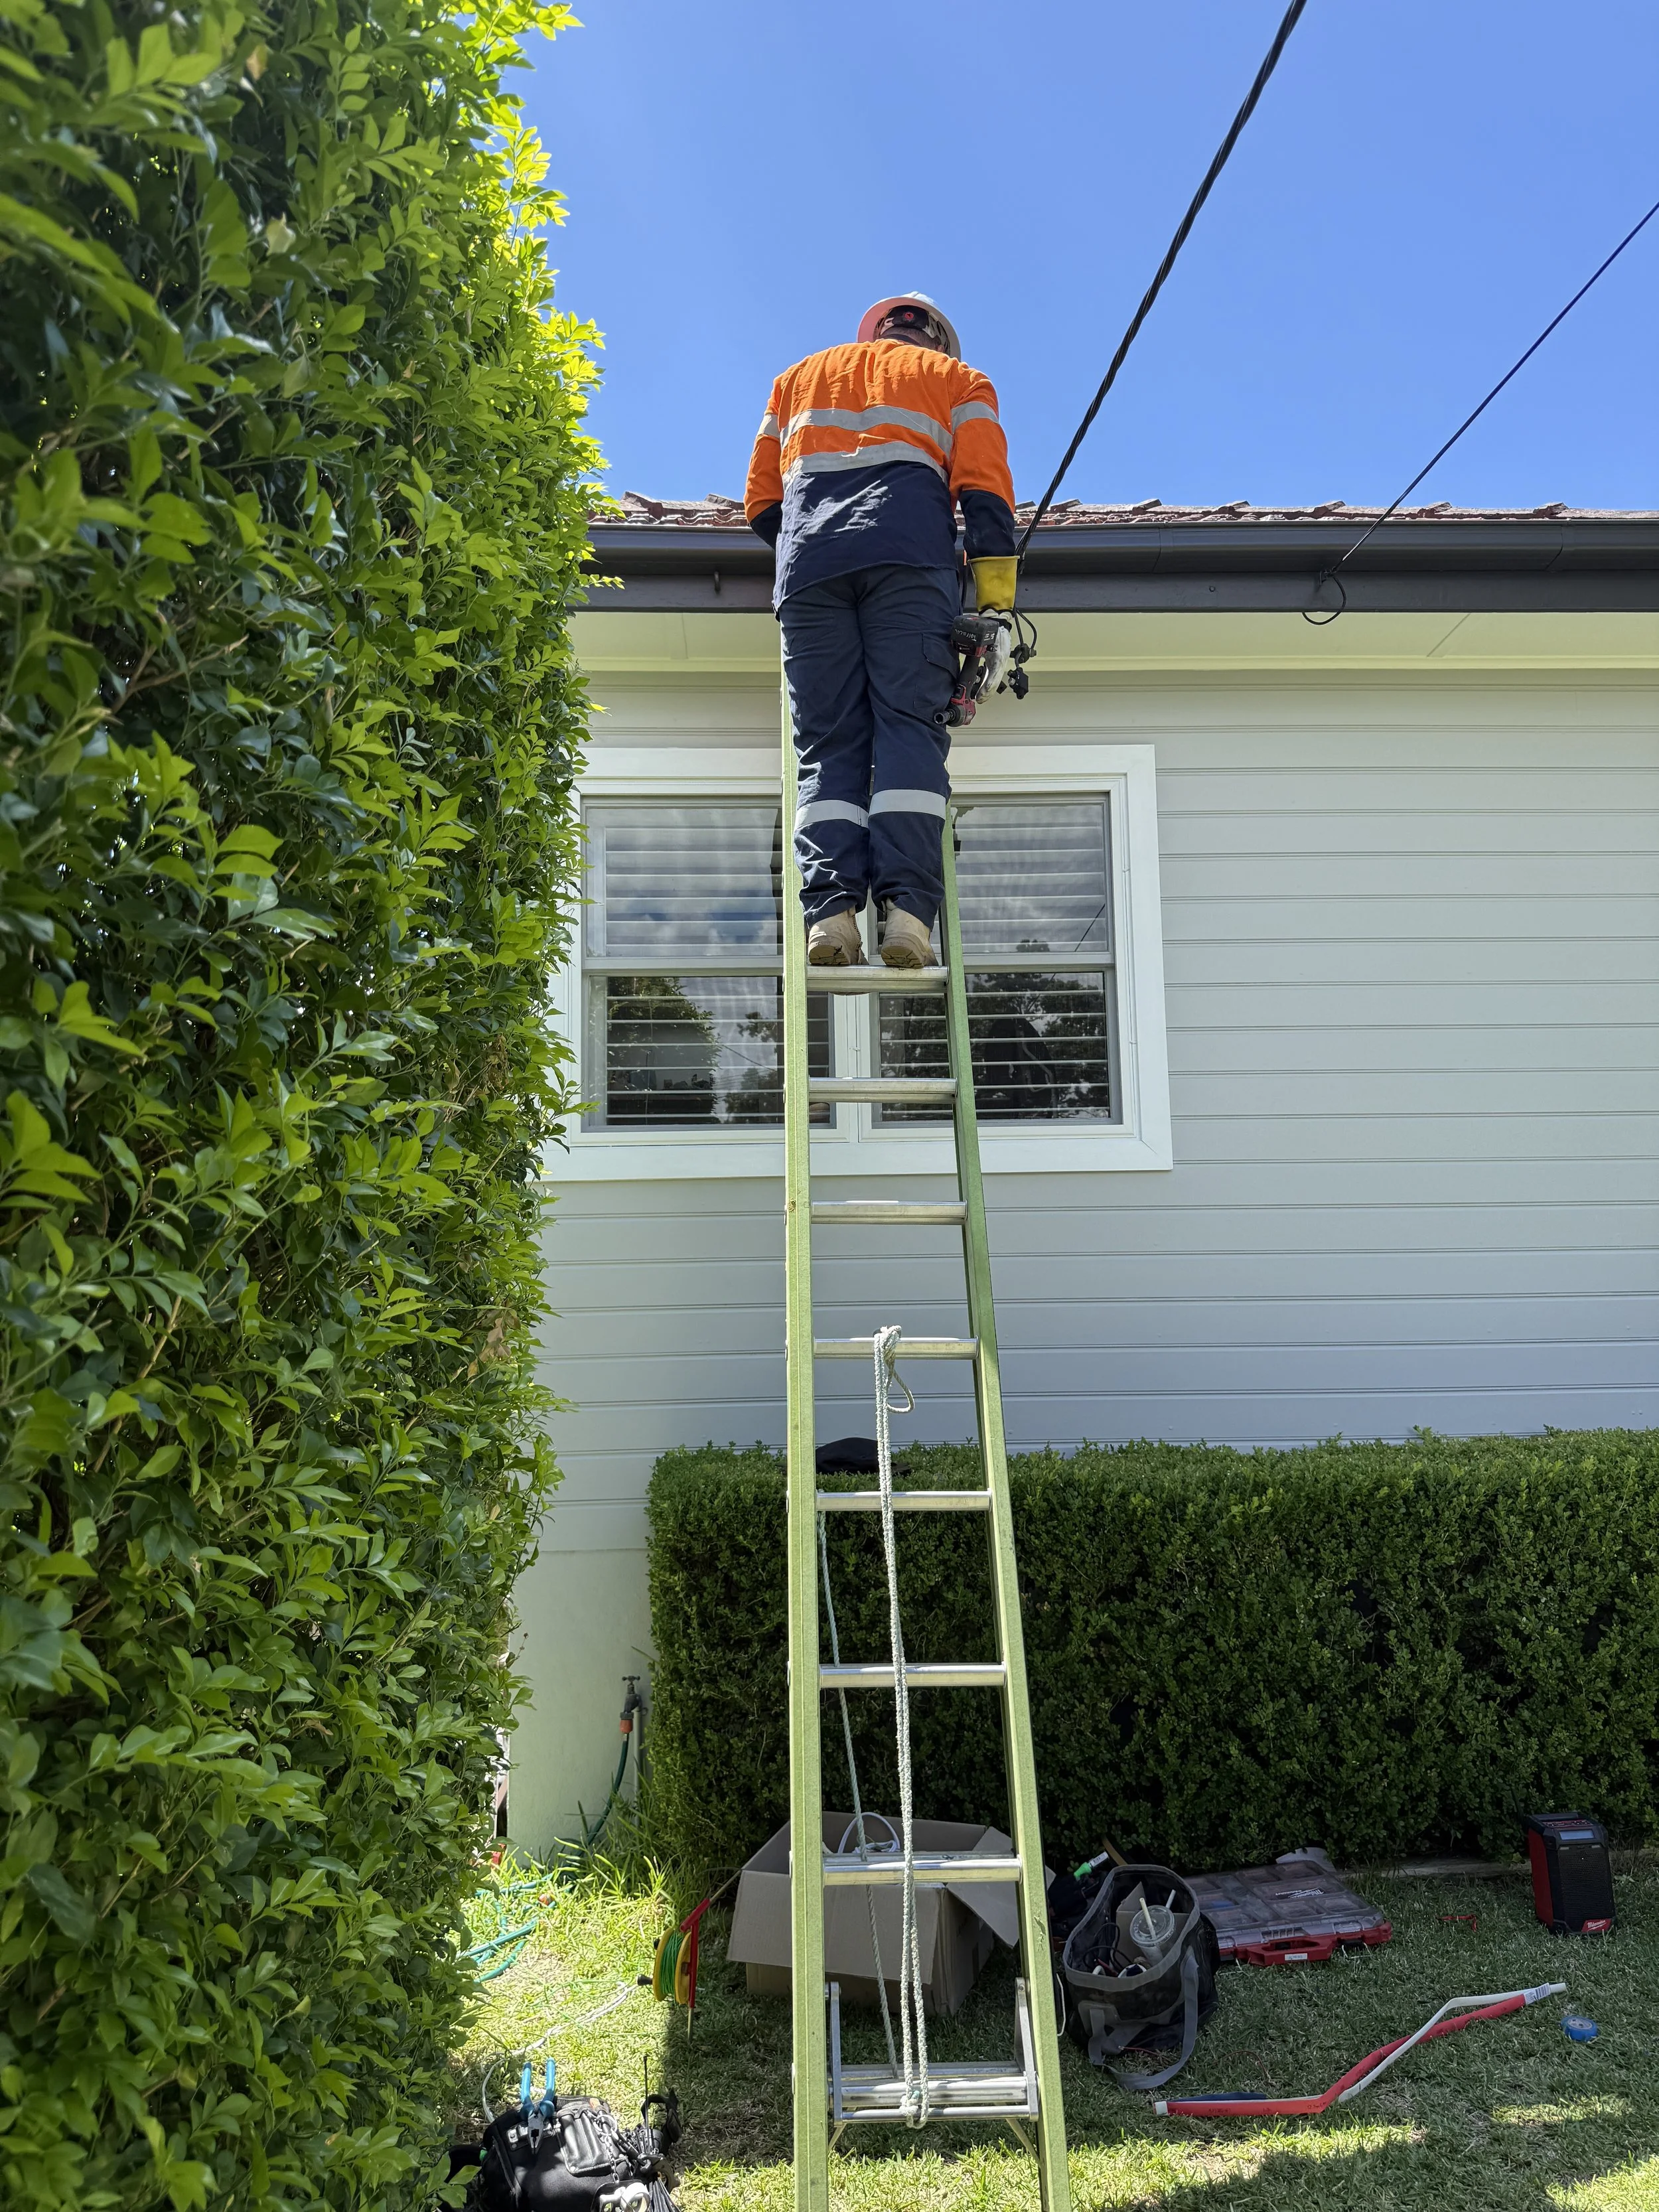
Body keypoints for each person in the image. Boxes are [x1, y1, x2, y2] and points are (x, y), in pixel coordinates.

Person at [745, 293, 1019, 968]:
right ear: (936, 342)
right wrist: (995, 604)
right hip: (908, 564)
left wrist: (815, 551)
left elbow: (761, 502)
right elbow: (985, 495)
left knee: (827, 741)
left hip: (808, 571)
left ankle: (831, 916)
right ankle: (908, 918)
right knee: (907, 727)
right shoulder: (961, 382)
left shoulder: (796, 379)